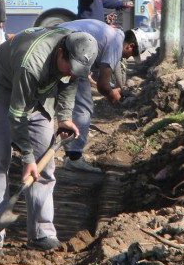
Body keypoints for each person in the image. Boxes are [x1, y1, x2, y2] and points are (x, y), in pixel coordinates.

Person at [0, 26, 98, 252]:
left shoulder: (74, 60)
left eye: (77, 70)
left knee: (45, 164)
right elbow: (18, 114)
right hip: (1, 88)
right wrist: (27, 157)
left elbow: (70, 84)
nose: (72, 72)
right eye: (70, 67)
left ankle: (42, 232)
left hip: (40, 93)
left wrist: (64, 118)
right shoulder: (31, 63)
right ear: (61, 51)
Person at [58, 19, 151, 173]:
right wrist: (112, 95)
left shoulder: (111, 34)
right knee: (83, 107)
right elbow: (103, 85)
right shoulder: (116, 42)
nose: (126, 58)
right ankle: (74, 157)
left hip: (60, 45)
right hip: (68, 52)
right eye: (130, 54)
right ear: (130, 46)